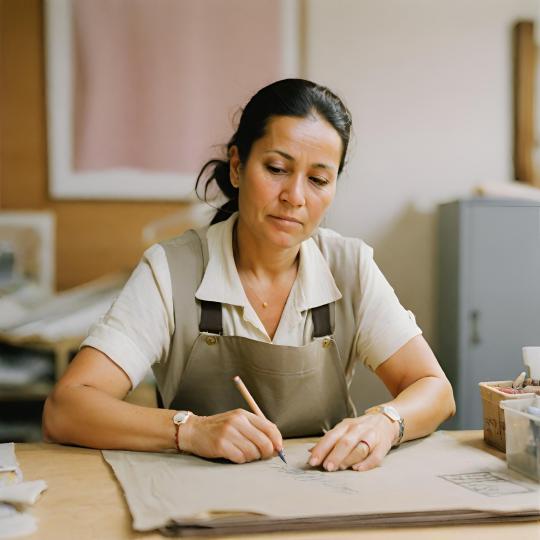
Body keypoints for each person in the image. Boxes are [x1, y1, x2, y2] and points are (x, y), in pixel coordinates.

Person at [43, 79, 455, 472]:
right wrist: (191, 430)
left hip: (323, 498)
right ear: (237, 166)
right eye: (276, 168)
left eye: (317, 180)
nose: (294, 197)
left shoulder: (350, 268)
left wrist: (385, 422)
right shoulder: (172, 270)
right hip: (201, 505)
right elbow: (67, 409)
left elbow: (434, 388)